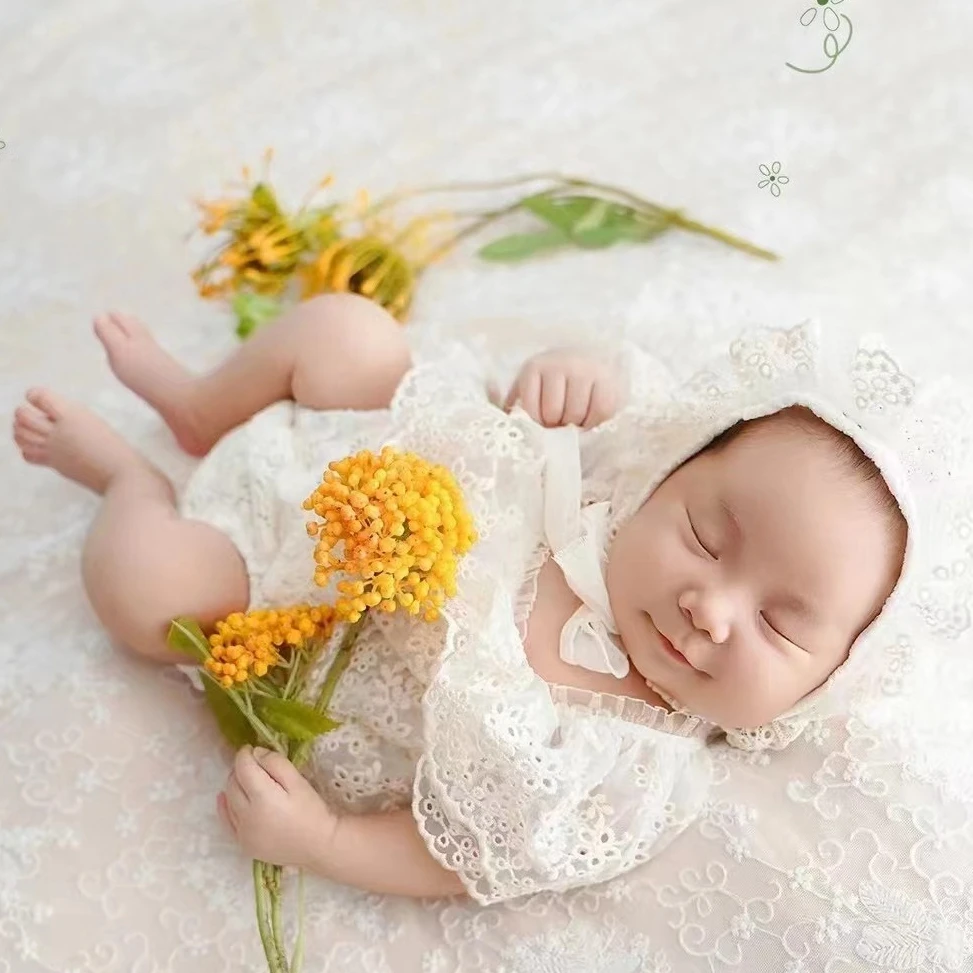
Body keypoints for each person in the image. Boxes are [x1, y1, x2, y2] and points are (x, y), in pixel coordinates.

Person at [11, 295, 911, 904]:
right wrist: (567, 373)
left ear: (824, 683)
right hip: (369, 432)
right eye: (707, 537)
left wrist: (322, 839)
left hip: (278, 590)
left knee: (146, 593)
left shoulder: (623, 766)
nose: (710, 606)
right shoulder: (616, 468)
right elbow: (586, 394)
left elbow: (459, 853)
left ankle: (130, 480)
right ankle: (203, 407)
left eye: (779, 624)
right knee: (348, 330)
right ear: (669, 472)